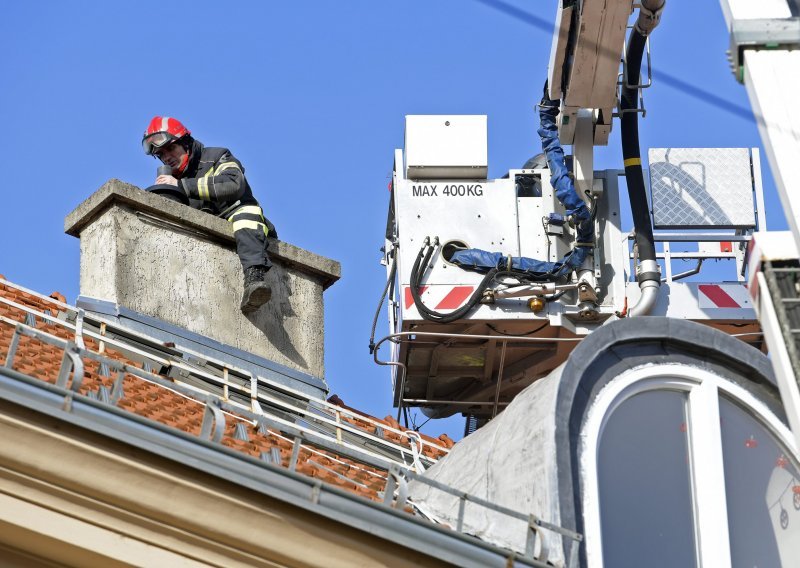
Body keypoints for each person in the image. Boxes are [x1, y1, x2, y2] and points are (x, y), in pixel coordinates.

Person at [141, 116, 274, 314]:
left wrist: (182, 187)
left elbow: (234, 184)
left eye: (170, 149)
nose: (167, 157)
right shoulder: (174, 180)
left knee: (246, 215)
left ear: (185, 143)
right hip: (207, 243)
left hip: (242, 223)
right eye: (161, 154)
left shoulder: (217, 156)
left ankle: (255, 279)